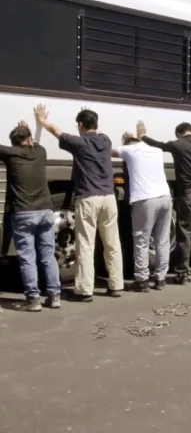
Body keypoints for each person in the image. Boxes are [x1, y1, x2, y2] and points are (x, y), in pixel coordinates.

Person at [34, 104, 124, 301]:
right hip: (109, 198)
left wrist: (42, 120)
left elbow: (56, 131)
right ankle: (116, 285)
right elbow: (96, 130)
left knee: (85, 244)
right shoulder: (106, 141)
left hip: (88, 197)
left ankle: (85, 290)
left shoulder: (79, 143)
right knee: (112, 243)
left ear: (81, 125)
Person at [140, 122, 191, 284]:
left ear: (178, 133)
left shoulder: (177, 145)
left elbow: (158, 145)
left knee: (185, 235)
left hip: (187, 195)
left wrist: (142, 136)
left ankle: (183, 274)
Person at [0, 121, 61, 311]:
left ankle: (33, 299)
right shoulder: (41, 152)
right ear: (29, 139)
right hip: (46, 211)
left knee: (27, 257)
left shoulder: (10, 154)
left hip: (24, 212)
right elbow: (34, 142)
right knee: (48, 255)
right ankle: (54, 296)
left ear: (13, 142)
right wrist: (27, 128)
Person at [112, 124, 172, 292]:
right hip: (165, 197)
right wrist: (140, 136)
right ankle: (160, 279)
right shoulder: (156, 151)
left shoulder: (129, 150)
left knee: (141, 240)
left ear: (126, 143)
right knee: (162, 240)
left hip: (145, 199)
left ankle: (142, 280)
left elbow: (106, 151)